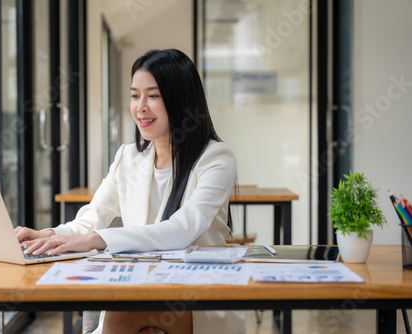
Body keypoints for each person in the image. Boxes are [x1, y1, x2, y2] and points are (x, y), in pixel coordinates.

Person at [15, 48, 246, 334]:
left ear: (181, 99)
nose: (141, 106)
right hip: (142, 283)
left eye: (154, 95)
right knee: (125, 309)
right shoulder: (128, 157)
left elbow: (183, 228)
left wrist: (96, 239)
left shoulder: (216, 158)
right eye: (135, 95)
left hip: (196, 290)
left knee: (124, 312)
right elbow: (91, 219)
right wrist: (49, 235)